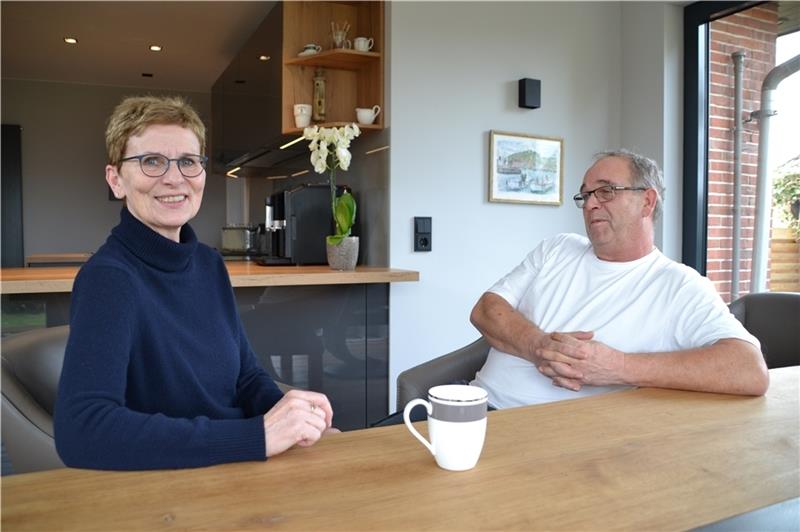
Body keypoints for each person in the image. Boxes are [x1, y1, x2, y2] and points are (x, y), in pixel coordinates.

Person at [54, 95, 335, 470]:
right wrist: (257, 436)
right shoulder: (108, 279)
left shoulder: (208, 263)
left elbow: (246, 378)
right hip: (175, 486)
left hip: (240, 464)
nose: (174, 177)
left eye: (188, 161)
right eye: (151, 161)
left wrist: (294, 419)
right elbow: (82, 432)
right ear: (116, 180)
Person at [470, 149, 769, 408]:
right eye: (585, 195)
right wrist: (538, 346)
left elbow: (749, 369)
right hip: (471, 406)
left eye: (606, 191)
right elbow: (485, 309)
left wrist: (619, 367)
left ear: (647, 202)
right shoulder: (557, 248)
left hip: (553, 436)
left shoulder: (679, 285)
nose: (590, 204)